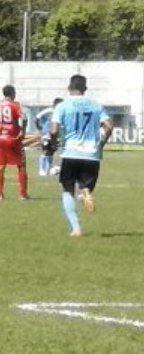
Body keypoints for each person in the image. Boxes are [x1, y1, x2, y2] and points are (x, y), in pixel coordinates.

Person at [45, 75, 107, 238]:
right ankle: (84, 192)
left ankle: (76, 228)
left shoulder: (63, 105)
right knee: (84, 186)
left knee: (67, 190)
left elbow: (54, 129)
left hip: (71, 152)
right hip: (91, 154)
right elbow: (109, 125)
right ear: (85, 89)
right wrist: (101, 143)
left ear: (69, 87)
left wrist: (53, 144)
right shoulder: (96, 106)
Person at [0, 84, 30, 202]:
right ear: (13, 93)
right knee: (21, 165)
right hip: (13, 139)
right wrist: (22, 132)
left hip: (0, 139)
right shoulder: (15, 105)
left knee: (1, 167)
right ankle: (22, 195)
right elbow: (24, 118)